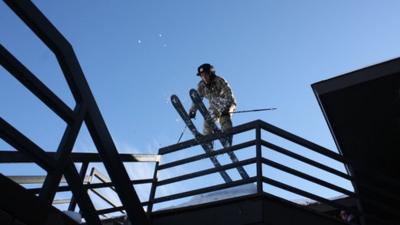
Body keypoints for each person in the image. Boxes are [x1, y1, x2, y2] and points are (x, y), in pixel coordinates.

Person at [189, 63, 236, 147]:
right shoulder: (201, 85)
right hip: (214, 106)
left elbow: (229, 95)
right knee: (208, 120)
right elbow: (197, 99)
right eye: (202, 76)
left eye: (206, 75)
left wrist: (226, 108)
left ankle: (227, 137)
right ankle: (208, 141)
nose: (204, 78)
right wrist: (193, 110)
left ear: (211, 73)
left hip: (227, 103)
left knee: (224, 118)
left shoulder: (219, 81)